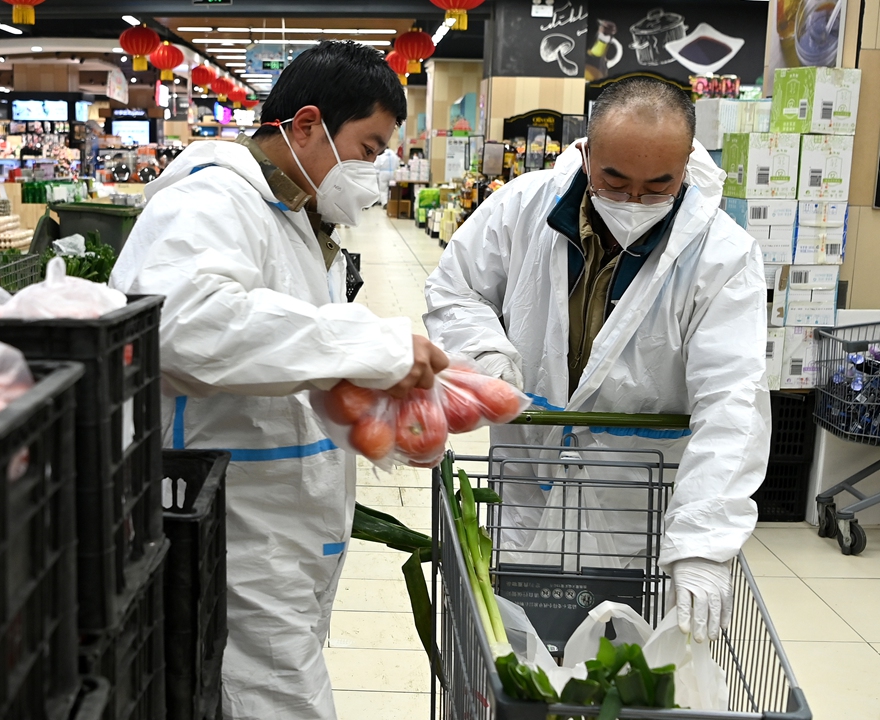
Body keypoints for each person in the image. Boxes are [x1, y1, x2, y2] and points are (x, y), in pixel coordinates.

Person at [110, 41, 448, 720]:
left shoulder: (292, 213)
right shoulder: (211, 199)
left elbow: (282, 354)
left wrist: (372, 419)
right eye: (367, 146)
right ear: (305, 125)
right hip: (233, 522)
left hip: (281, 521)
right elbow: (187, 325)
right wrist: (371, 344)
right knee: (276, 700)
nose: (372, 170)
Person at [424, 77, 770, 644]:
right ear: (587, 152)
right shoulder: (524, 206)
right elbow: (456, 288)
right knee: (519, 659)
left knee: (617, 667)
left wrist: (704, 543)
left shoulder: (723, 256)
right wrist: (485, 349)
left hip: (634, 507)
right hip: (526, 480)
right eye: (615, 180)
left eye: (658, 186)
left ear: (686, 166)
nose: (634, 201)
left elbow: (733, 399)